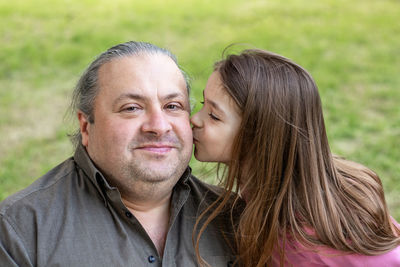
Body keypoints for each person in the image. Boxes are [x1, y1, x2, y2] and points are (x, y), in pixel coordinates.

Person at [0, 41, 236, 266]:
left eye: (172, 106)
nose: (159, 125)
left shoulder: (237, 220)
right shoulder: (19, 231)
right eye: (131, 108)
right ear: (85, 127)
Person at [191, 48, 400, 266]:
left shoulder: (295, 245)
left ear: (259, 137)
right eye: (202, 104)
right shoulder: (302, 182)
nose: (194, 119)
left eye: (214, 116)